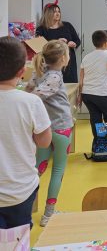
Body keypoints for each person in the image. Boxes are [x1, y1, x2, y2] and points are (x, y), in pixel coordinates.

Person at [0, 37, 51, 229]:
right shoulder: (30, 102)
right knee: (17, 238)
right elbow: (44, 142)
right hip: (20, 190)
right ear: (22, 71)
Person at [26, 40, 74, 226]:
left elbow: (29, 89)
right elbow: (34, 97)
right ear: (62, 58)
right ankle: (48, 215)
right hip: (61, 128)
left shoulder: (39, 72)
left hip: (43, 129)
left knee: (38, 168)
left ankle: (24, 210)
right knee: (58, 170)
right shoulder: (55, 76)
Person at [78, 30, 107, 140]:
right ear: (106, 43)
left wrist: (80, 95)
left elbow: (81, 78)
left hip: (87, 95)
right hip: (102, 94)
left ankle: (98, 143)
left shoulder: (86, 57)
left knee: (95, 119)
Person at [36, 0, 81, 83]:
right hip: (52, 63)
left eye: (58, 11)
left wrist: (74, 44)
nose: (58, 14)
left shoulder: (67, 25)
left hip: (68, 62)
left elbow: (77, 40)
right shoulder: (41, 29)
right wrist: (57, 42)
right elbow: (41, 47)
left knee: (70, 84)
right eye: (54, 12)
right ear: (48, 14)